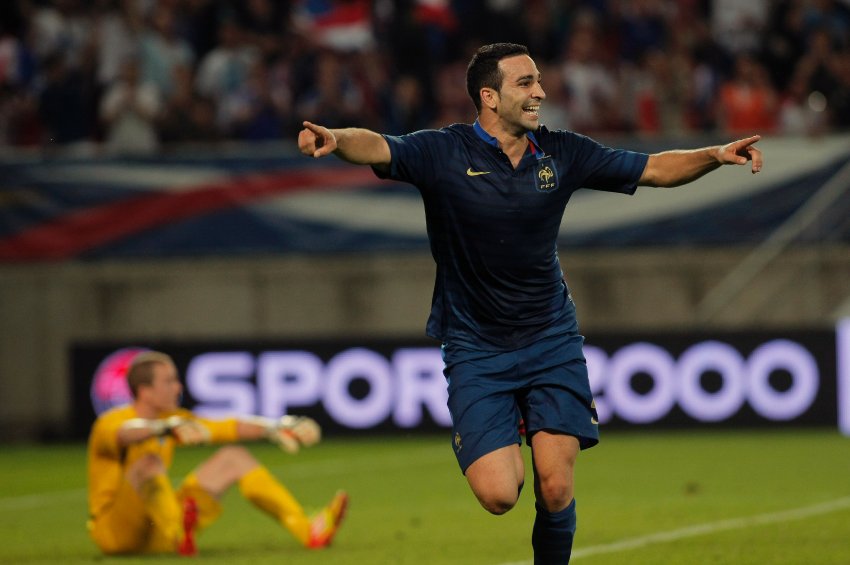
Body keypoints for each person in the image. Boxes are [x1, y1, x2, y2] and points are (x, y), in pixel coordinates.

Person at [297, 42, 763, 564]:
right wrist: (336, 138)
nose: (540, 91)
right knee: (499, 494)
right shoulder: (444, 152)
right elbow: (380, 146)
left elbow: (653, 168)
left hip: (550, 337)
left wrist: (714, 155)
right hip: (475, 345)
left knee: (556, 486)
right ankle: (508, 422)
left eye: (538, 79)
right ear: (489, 97)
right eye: (526, 82)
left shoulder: (562, 152)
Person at [86, 350, 348, 556]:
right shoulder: (111, 422)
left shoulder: (174, 418)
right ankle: (178, 533)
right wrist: (163, 428)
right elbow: (126, 433)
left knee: (234, 457)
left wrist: (273, 427)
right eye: (169, 381)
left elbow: (225, 426)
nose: (177, 387)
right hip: (116, 534)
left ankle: (308, 531)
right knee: (149, 464)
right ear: (145, 391)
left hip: (158, 530)